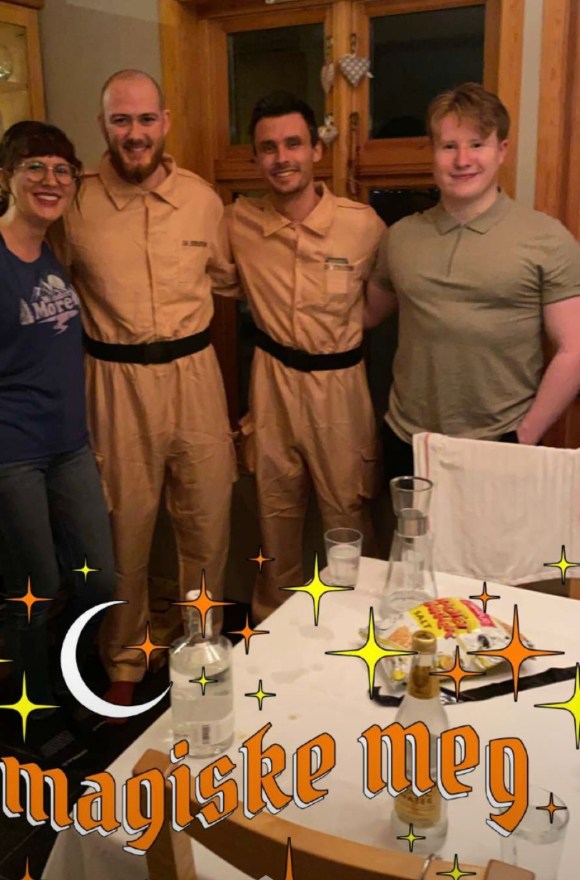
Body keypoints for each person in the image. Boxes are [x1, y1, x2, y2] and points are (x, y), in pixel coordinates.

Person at [52, 69, 236, 708]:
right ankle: (126, 653)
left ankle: (200, 642)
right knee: (123, 528)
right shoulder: (74, 202)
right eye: (121, 120)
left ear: (166, 122)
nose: (135, 133)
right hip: (113, 380)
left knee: (207, 521)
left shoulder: (202, 200)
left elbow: (229, 279)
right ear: (103, 125)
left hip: (195, 374)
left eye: (146, 119)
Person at [0, 121, 115, 759]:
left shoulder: (52, 248)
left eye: (62, 170)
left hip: (68, 446)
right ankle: (35, 712)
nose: (51, 180)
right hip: (6, 454)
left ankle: (69, 683)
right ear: (4, 177)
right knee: (35, 587)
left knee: (97, 580)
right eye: (35, 168)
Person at [221, 92, 385, 622]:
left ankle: (360, 627)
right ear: (255, 158)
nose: (281, 158)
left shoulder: (363, 225)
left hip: (340, 385)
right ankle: (272, 626)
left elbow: (383, 300)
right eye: (268, 148)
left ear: (316, 150)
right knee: (275, 515)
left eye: (293, 144)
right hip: (271, 381)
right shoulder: (237, 223)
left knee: (348, 515)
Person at [365, 82, 580, 479]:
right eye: (449, 146)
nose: (462, 160)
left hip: (501, 443)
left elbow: (574, 349)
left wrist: (524, 437)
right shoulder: (400, 237)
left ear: (502, 150)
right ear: (433, 153)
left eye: (477, 144)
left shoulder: (547, 239)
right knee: (409, 526)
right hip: (408, 440)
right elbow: (366, 314)